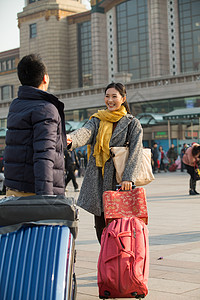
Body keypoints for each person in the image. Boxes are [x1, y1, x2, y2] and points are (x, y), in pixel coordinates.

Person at [67, 82, 143, 243]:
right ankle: (107, 263)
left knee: (121, 229)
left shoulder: (132, 123)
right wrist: (70, 139)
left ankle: (121, 263)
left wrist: (128, 177)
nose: (110, 100)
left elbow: (136, 151)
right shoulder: (97, 120)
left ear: (123, 99)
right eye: (107, 96)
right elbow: (85, 133)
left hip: (120, 183)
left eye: (114, 96)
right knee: (101, 228)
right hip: (99, 182)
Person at [4, 54, 66, 196]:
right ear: (45, 78)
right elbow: (43, 156)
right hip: (35, 195)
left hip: (13, 191)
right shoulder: (45, 109)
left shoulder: (16, 104)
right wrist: (46, 199)